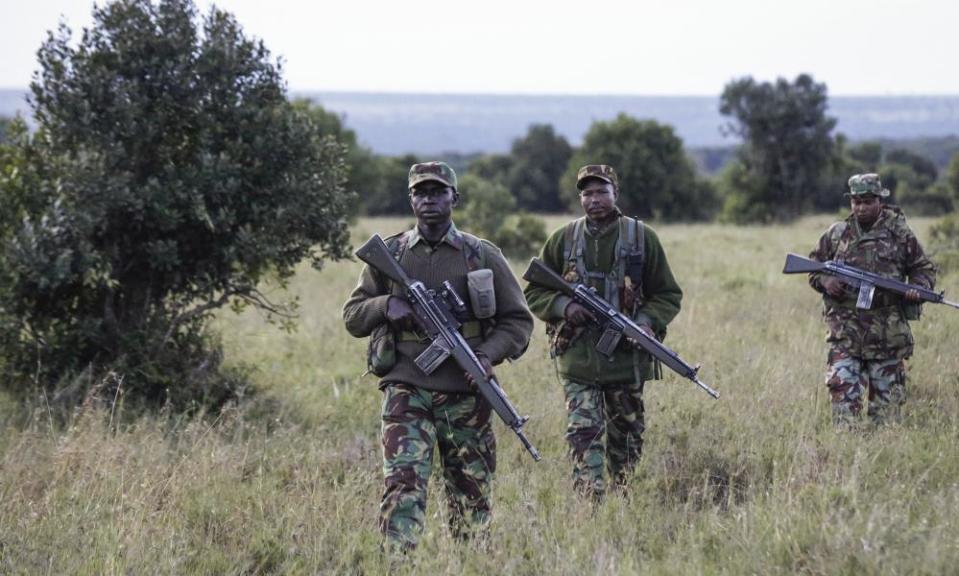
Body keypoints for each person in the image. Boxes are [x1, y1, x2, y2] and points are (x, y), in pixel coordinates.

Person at [342, 161, 533, 550]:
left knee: (472, 494)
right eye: (420, 192)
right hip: (406, 389)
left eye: (438, 192)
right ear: (411, 199)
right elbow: (352, 316)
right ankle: (398, 562)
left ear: (454, 198)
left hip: (466, 395)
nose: (429, 199)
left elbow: (517, 322)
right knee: (403, 486)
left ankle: (472, 562)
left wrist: (486, 354)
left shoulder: (481, 254)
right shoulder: (391, 253)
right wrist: (385, 306)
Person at [524, 164, 682, 499]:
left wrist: (646, 322)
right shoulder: (563, 238)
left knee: (627, 437)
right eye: (587, 193)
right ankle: (588, 502)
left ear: (615, 194)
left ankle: (622, 496)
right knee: (583, 432)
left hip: (627, 361)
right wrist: (564, 308)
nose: (594, 199)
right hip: (578, 360)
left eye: (601, 192)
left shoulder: (641, 238)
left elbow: (668, 294)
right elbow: (534, 290)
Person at [807, 173, 936, 425]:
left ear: (880, 200)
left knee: (887, 418)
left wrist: (918, 288)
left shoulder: (900, 234)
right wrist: (826, 281)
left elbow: (924, 268)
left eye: (867, 201)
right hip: (844, 335)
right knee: (843, 411)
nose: (861, 208)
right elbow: (812, 266)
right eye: (856, 202)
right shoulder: (837, 234)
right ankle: (844, 459)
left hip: (887, 337)